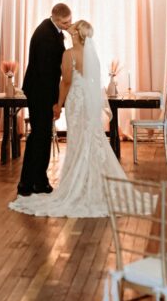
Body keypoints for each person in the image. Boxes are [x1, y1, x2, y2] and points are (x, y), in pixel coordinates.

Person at [10, 20, 127, 218]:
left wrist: (58, 104)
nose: (68, 31)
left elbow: (65, 82)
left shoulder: (69, 54)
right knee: (91, 138)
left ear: (76, 35)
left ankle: (76, 184)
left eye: (71, 30)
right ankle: (93, 184)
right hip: (88, 104)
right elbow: (92, 81)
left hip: (74, 100)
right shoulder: (93, 57)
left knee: (77, 141)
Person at [17, 3, 72, 196]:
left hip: (40, 90)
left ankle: (37, 181)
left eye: (70, 20)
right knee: (39, 138)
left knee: (40, 137)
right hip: (40, 92)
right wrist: (54, 103)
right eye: (66, 22)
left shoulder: (51, 29)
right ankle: (28, 183)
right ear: (56, 18)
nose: (69, 24)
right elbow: (47, 74)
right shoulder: (46, 36)